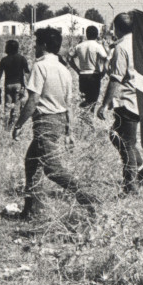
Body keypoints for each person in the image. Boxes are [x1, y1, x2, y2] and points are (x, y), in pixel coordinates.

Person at [10, 27, 97, 219]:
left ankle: (88, 198)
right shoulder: (63, 69)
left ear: (43, 45)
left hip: (45, 121)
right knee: (32, 163)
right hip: (58, 120)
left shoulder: (40, 66)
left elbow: (33, 99)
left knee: (52, 168)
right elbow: (68, 104)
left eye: (37, 43)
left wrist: (18, 124)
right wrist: (69, 130)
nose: (35, 47)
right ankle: (32, 211)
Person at [98, 12, 143, 192]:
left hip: (128, 100)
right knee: (116, 135)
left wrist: (104, 104)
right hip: (141, 99)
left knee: (126, 143)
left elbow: (115, 79)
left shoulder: (122, 47)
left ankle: (131, 185)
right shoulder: (141, 44)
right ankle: (141, 169)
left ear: (117, 28)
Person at [68, 26, 109, 110]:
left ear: (86, 34)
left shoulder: (79, 46)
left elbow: (69, 58)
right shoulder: (98, 46)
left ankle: (84, 120)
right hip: (94, 74)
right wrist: (104, 71)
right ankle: (89, 120)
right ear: (97, 34)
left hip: (82, 74)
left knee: (84, 101)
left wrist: (77, 69)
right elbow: (106, 58)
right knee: (93, 102)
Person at [0, 39, 31, 128]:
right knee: (16, 106)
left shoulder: (4, 60)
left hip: (8, 85)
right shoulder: (22, 58)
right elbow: (26, 72)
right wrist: (29, 85)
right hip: (18, 84)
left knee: (7, 106)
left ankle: (5, 126)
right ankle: (12, 126)